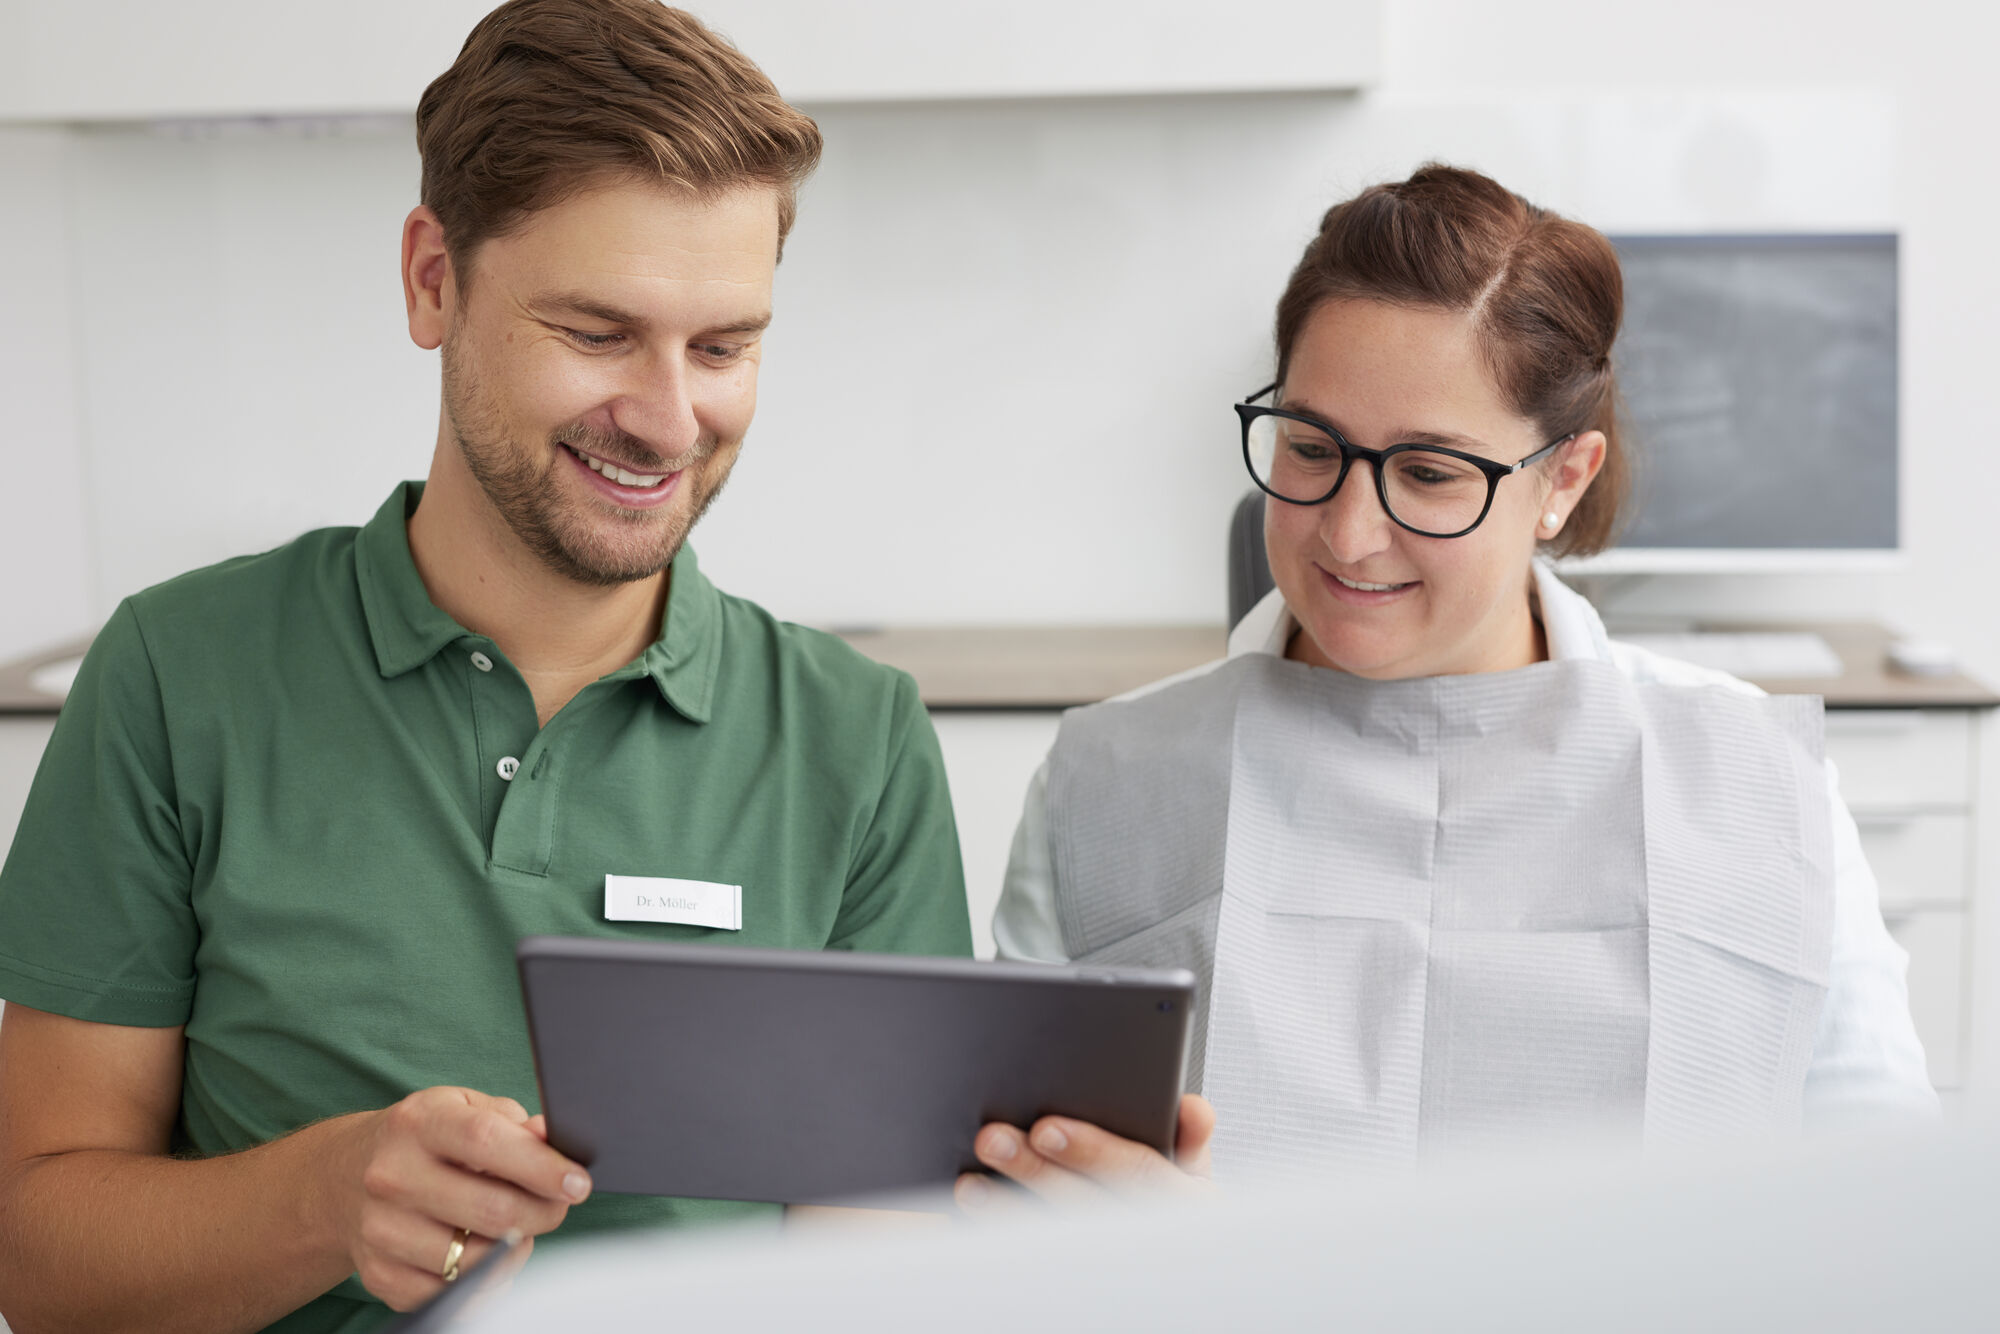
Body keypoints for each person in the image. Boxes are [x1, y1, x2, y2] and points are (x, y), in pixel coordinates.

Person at [0, 4, 988, 1331]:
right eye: (596, 332)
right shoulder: (179, 679)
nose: (667, 417)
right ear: (432, 281)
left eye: (722, 346)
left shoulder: (856, 740)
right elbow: (40, 1259)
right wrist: (324, 1198)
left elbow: (880, 1268)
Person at [983, 164, 1937, 1184]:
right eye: (1310, 447)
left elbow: (1884, 1193)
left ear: (1559, 480)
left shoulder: (1752, 781)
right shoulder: (1109, 781)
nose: (1348, 534)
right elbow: (1013, 1190)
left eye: (1430, 473)